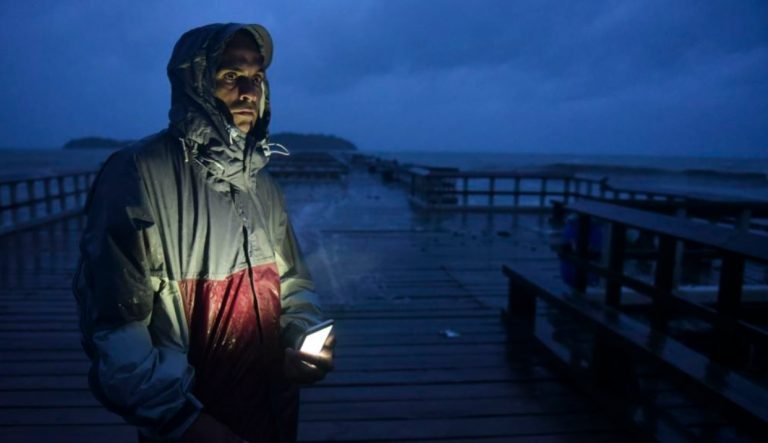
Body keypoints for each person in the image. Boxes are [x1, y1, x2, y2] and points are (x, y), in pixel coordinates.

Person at [73, 23, 334, 443]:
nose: (249, 90)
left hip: (274, 411)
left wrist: (304, 337)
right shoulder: (137, 173)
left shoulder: (262, 185)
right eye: (231, 76)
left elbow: (293, 283)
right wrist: (183, 421)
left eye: (258, 76)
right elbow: (115, 328)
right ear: (194, 80)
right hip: (194, 422)